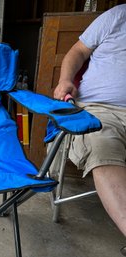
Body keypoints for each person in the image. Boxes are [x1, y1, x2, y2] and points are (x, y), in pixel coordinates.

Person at [53, 3, 126, 255]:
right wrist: (65, 80)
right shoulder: (118, 16)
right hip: (100, 108)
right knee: (100, 143)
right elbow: (78, 51)